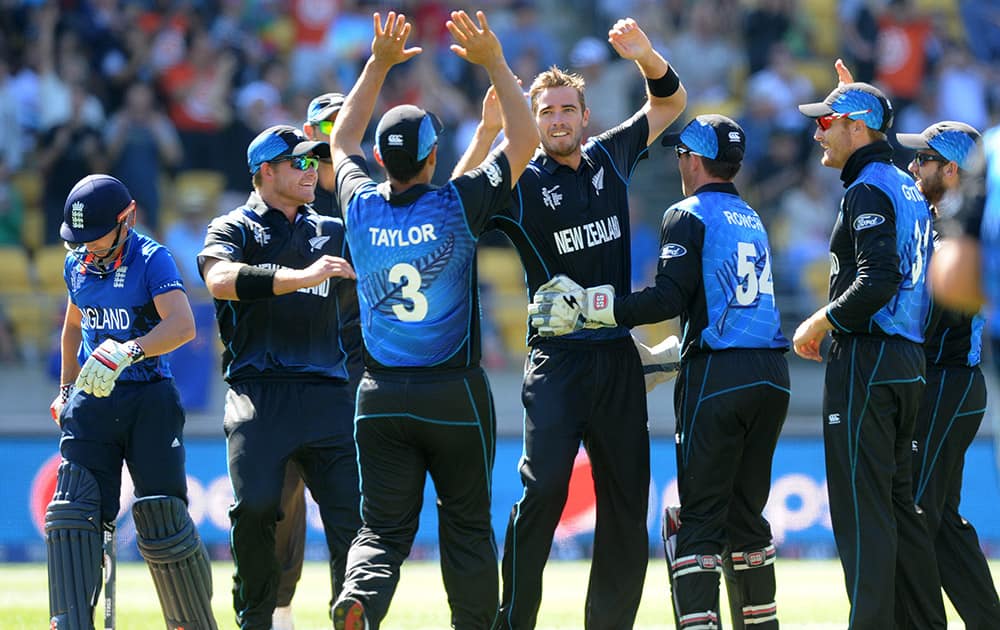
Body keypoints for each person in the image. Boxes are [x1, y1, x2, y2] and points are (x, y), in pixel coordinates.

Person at [454, 16, 687, 629]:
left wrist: (646, 56)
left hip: (615, 358)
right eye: (545, 112)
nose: (557, 120)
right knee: (543, 495)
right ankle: (514, 621)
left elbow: (671, 103)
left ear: (585, 117)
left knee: (625, 504)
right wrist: (485, 133)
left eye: (566, 109)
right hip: (555, 361)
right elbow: (453, 204)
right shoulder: (519, 182)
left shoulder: (611, 156)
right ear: (531, 122)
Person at [530, 115, 790, 630]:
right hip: (771, 376)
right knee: (748, 519)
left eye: (679, 155)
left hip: (719, 378)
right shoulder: (751, 216)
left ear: (693, 159)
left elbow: (669, 297)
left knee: (697, 521)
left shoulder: (687, 213)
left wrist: (591, 307)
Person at [327, 10, 538, 629]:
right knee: (467, 525)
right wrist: (496, 64)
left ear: (379, 159)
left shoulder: (359, 206)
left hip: (380, 395)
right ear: (432, 158)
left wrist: (377, 63)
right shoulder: (458, 206)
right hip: (454, 396)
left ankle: (361, 596)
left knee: (382, 528)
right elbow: (522, 145)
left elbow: (339, 142)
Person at [792, 71, 946, 628]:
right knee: (901, 509)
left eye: (827, 123)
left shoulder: (868, 188)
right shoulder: (904, 184)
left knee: (863, 511)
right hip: (907, 362)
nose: (818, 135)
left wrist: (820, 320)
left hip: (871, 358)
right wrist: (859, 100)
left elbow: (877, 278)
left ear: (856, 128)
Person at [197, 124, 362, 630]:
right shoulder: (233, 227)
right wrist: (298, 279)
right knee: (256, 509)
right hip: (258, 393)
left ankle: (352, 616)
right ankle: (256, 617)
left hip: (330, 393)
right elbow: (218, 280)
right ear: (265, 171)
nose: (311, 171)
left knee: (353, 521)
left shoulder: (334, 230)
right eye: (299, 163)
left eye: (314, 162)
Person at [47, 174, 216, 629]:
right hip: (92, 400)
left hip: (149, 399)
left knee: (164, 517)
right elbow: (71, 330)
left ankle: (190, 622)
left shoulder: (152, 259)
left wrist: (131, 349)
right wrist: (66, 393)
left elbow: (182, 326)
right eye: (77, 239)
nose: (86, 248)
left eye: (95, 237)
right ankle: (69, 621)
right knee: (72, 514)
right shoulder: (77, 263)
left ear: (127, 218)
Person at [896, 120, 1000, 627]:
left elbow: (945, 315)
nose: (912, 168)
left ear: (952, 169)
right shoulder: (940, 226)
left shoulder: (957, 233)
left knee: (913, 510)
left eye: (923, 160)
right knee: (938, 521)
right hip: (950, 384)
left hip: (948, 381)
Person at [268, 90, 359, 630]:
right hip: (293, 358)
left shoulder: (364, 187)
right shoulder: (289, 191)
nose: (327, 141)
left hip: (350, 361)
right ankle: (280, 607)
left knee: (345, 499)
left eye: (340, 126)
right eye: (321, 130)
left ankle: (347, 607)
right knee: (282, 493)